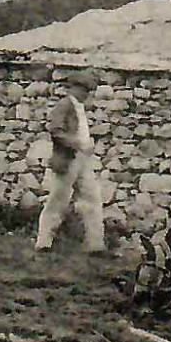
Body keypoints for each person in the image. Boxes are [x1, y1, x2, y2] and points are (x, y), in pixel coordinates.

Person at [35, 70, 105, 253]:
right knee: (57, 201)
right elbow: (55, 130)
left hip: (82, 159)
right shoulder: (64, 105)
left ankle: (95, 245)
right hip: (66, 159)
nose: (86, 93)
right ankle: (44, 242)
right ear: (73, 88)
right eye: (83, 89)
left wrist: (85, 146)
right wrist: (78, 144)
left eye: (88, 90)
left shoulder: (79, 107)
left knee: (92, 198)